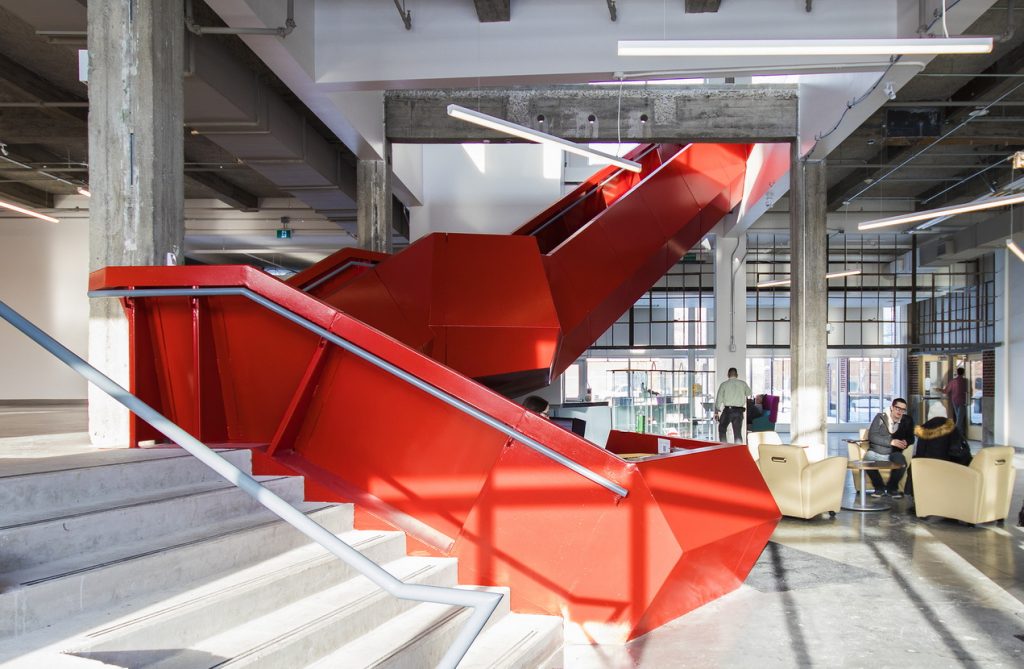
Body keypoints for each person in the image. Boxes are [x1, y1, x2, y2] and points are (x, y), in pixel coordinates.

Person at [904, 405, 970, 496]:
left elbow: (918, 454)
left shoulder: (923, 430)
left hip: (925, 470)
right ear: (945, 415)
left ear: (929, 416)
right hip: (948, 469)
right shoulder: (953, 429)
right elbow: (960, 451)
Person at [865, 397, 915, 499]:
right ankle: (879, 488)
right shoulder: (880, 417)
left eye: (903, 409)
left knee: (902, 464)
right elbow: (872, 436)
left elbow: (911, 437)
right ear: (892, 407)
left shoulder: (907, 420)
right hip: (876, 450)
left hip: (894, 452)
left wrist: (907, 441)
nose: (900, 412)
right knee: (867, 459)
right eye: (897, 408)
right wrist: (891, 442)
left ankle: (892, 488)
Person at [714, 368, 751, 443]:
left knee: (722, 429)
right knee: (737, 433)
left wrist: (716, 411)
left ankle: (724, 447)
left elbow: (719, 399)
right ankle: (738, 451)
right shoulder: (743, 383)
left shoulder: (724, 384)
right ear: (737, 375)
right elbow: (749, 394)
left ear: (728, 375)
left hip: (728, 411)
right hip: (738, 412)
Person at [941, 367, 969, 435]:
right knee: (960, 419)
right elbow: (969, 390)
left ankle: (959, 434)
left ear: (957, 372)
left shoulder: (953, 381)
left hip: (955, 401)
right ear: (963, 372)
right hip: (963, 401)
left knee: (959, 419)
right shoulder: (965, 381)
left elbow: (946, 391)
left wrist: (938, 389)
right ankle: (957, 434)